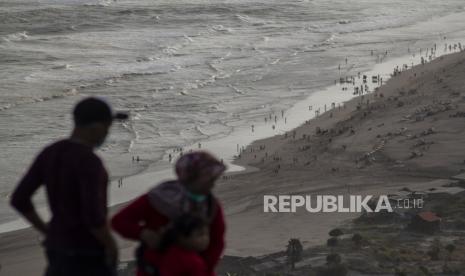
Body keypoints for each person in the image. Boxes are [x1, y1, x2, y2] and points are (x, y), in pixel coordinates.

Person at [10, 97, 128, 276]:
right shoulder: (90, 162)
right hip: (87, 253)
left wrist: (46, 230)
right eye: (106, 128)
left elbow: (19, 199)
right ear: (95, 127)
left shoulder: (51, 152)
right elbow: (93, 216)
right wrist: (111, 245)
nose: (106, 134)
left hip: (57, 247)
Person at [111, 151, 226, 276]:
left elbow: (217, 243)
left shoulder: (210, 205)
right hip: (154, 270)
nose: (213, 184)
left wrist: (203, 267)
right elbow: (119, 221)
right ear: (191, 177)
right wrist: (143, 233)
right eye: (208, 179)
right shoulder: (158, 198)